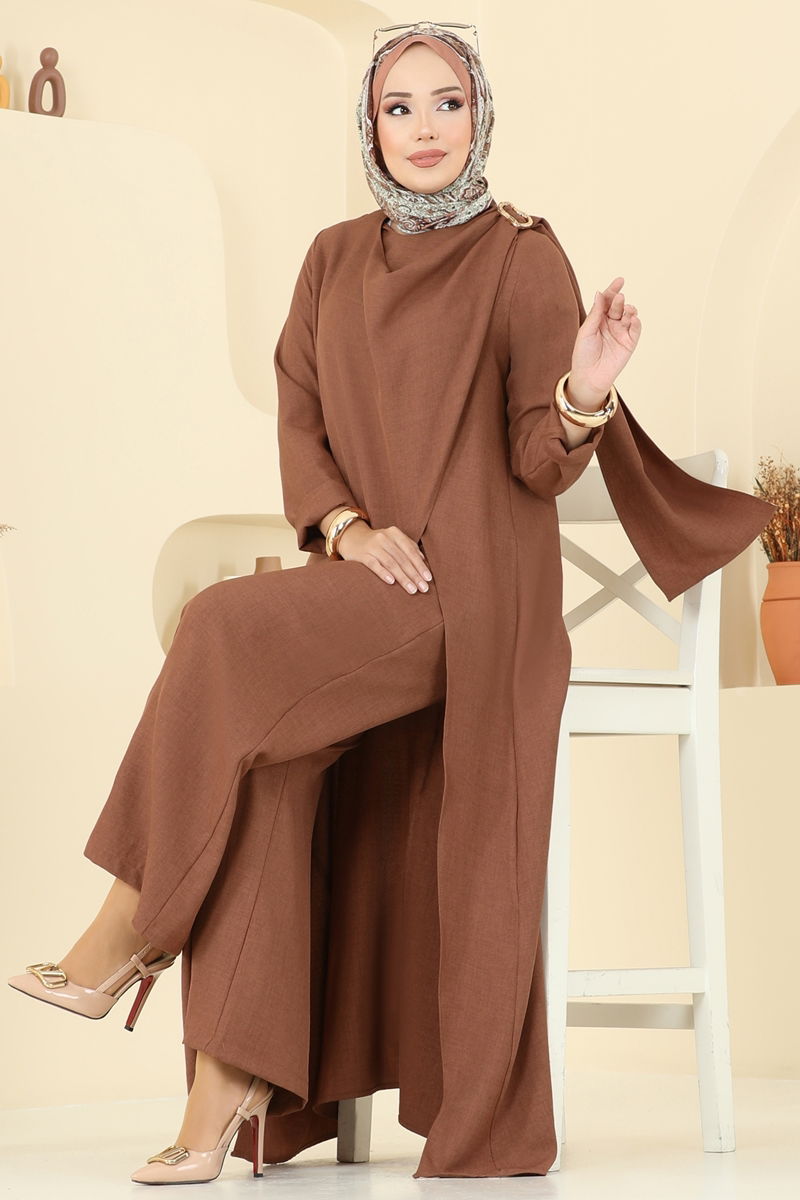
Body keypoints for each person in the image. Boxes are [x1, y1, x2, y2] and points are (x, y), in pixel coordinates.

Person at [7, 20, 776, 1186]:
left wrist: (584, 389)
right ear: (368, 125)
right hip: (364, 586)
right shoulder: (329, 259)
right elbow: (299, 418)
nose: (424, 129)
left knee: (214, 627)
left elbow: (538, 461)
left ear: (480, 115)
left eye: (446, 102)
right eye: (397, 107)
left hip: (474, 606)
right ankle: (222, 1100)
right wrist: (342, 528)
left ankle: (127, 934)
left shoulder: (521, 254)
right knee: (262, 765)